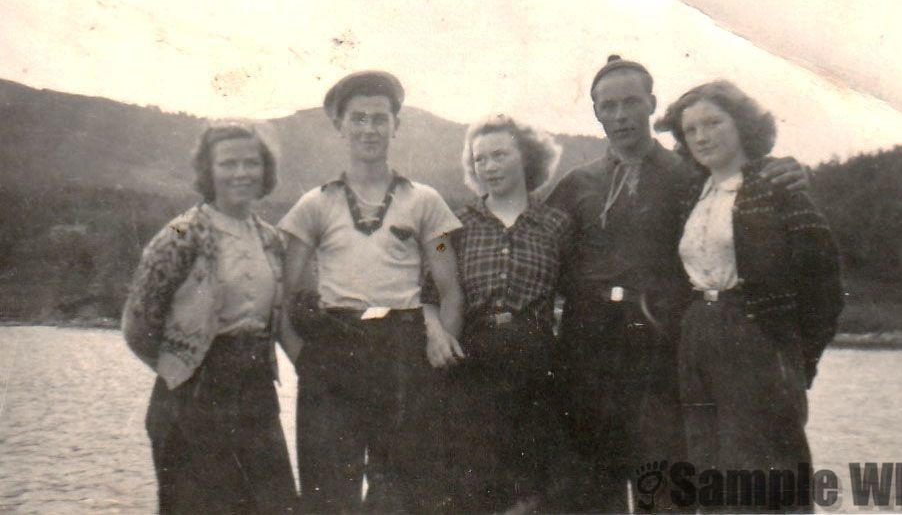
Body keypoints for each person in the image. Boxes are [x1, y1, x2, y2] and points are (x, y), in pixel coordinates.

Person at [545, 55, 809, 512]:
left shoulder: (692, 175)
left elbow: (740, 185)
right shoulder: (575, 184)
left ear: (651, 104)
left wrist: (779, 169)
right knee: (587, 495)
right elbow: (540, 254)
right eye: (608, 106)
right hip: (588, 356)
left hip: (663, 357)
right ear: (596, 113)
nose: (621, 115)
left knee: (667, 491)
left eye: (631, 102)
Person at [277, 70, 465, 513]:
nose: (369, 128)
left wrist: (437, 361)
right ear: (340, 126)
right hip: (332, 351)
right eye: (357, 119)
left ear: (396, 125)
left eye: (379, 118)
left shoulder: (427, 204)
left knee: (401, 493)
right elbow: (284, 297)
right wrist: (305, 361)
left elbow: (450, 288)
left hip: (403, 354)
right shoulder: (313, 205)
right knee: (327, 493)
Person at [655, 80, 843, 512]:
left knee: (764, 471)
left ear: (741, 124)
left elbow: (824, 287)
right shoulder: (693, 194)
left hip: (756, 337)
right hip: (698, 335)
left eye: (712, 123)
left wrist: (796, 359)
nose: (701, 137)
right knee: (708, 466)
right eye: (690, 130)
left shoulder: (778, 187)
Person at [121, 122, 296, 513]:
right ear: (208, 171)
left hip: (255, 395)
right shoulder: (180, 234)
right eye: (228, 163)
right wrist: (181, 368)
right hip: (191, 395)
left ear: (264, 170)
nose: (240, 173)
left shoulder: (271, 239)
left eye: (250, 163)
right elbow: (137, 327)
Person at [423, 114, 572, 512]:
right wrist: (437, 334)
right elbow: (426, 294)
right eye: (480, 159)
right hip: (475, 361)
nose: (489, 167)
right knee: (474, 483)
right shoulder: (447, 228)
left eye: (500, 155)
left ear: (527, 157)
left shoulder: (558, 224)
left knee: (530, 490)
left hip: (536, 361)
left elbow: (574, 294)